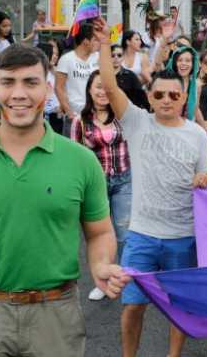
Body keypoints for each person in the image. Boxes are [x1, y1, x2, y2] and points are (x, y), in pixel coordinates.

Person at [0, 44, 129, 357]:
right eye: (8, 82)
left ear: (48, 88)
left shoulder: (82, 161)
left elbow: (100, 231)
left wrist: (101, 264)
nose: (19, 93)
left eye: (31, 82)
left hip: (56, 314)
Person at [90, 18, 207, 357]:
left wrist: (203, 180)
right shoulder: (136, 122)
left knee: (179, 307)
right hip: (142, 235)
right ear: (149, 96)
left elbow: (205, 176)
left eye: (174, 94)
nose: (167, 99)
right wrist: (104, 45)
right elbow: (112, 88)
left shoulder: (197, 135)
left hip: (182, 237)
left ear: (184, 96)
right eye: (159, 94)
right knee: (132, 307)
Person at [71, 69, 133, 301]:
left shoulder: (123, 115)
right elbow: (75, 156)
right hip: (95, 185)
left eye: (106, 86)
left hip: (124, 179)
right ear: (89, 89)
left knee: (125, 233)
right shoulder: (80, 120)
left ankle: (128, 279)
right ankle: (103, 279)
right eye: (98, 86)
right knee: (98, 234)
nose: (102, 92)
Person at [55, 22, 100, 134]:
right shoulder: (67, 59)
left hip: (96, 115)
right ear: (85, 41)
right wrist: (69, 112)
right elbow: (59, 87)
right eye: (95, 39)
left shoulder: (99, 57)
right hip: (75, 116)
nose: (98, 43)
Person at [36, 40, 64, 135]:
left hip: (56, 116)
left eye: (56, 54)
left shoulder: (54, 73)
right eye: (52, 54)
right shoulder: (37, 75)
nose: (55, 56)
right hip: (42, 116)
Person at [111, 44, 150, 110]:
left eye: (119, 55)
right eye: (112, 55)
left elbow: (141, 97)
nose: (116, 58)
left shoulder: (130, 75)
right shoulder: (100, 75)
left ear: (123, 57)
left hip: (126, 113)